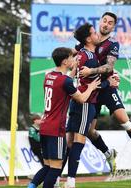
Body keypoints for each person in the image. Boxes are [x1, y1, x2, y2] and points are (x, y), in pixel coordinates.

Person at [79, 12, 131, 172]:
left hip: (107, 87)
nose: (106, 24)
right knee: (90, 131)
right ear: (100, 22)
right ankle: (108, 154)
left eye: (110, 23)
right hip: (91, 90)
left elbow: (109, 67)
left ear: (113, 27)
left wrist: (91, 70)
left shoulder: (113, 44)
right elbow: (74, 53)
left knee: (124, 121)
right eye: (104, 21)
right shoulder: (89, 39)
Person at [28, 47, 100, 188]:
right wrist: (91, 87)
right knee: (55, 169)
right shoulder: (65, 81)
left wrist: (73, 71)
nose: (74, 59)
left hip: (45, 127)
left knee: (48, 166)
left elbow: (65, 82)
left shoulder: (49, 76)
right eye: (72, 58)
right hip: (56, 129)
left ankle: (30, 186)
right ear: (65, 61)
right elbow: (82, 98)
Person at [63, 23, 118, 188]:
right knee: (77, 141)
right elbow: (95, 82)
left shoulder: (82, 54)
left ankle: (63, 178)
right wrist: (109, 82)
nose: (97, 35)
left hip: (78, 100)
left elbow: (71, 74)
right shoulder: (89, 57)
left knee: (72, 141)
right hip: (85, 102)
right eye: (94, 33)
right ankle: (70, 180)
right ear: (88, 38)